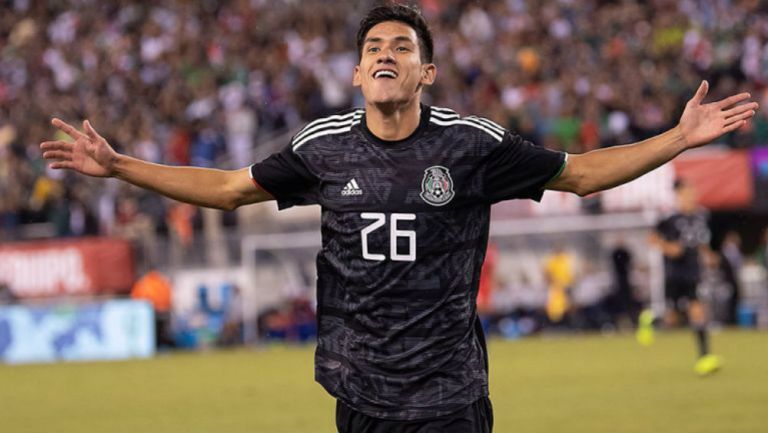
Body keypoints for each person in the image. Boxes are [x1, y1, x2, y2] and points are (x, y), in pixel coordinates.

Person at [39, 4, 757, 432]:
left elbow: (580, 174)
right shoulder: (321, 148)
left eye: (403, 47)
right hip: (361, 393)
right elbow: (228, 188)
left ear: (426, 73)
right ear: (357, 73)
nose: (387, 54)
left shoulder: (472, 144)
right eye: (374, 48)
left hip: (451, 395)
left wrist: (677, 138)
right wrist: (122, 164)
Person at [649, 179, 721, 376]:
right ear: (678, 196)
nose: (691, 197)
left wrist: (709, 255)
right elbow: (652, 238)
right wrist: (668, 248)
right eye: (686, 194)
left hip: (692, 272)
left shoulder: (701, 216)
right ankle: (650, 319)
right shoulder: (670, 218)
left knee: (697, 311)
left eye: (692, 193)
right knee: (671, 319)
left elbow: (701, 242)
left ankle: (705, 357)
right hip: (673, 273)